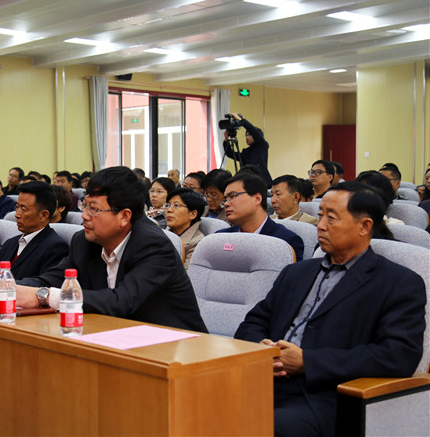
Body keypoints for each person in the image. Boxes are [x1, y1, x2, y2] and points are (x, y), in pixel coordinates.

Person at [235, 181, 426, 437]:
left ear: (364, 226)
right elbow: (254, 321)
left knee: (251, 427)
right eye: (320, 215)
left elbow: (398, 355)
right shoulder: (296, 272)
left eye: (331, 218)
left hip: (324, 396)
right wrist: (262, 348)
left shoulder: (398, 282)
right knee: (193, 403)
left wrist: (308, 362)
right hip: (261, 381)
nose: (321, 225)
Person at [0, 166, 208, 332]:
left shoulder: (154, 246)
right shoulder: (84, 240)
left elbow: (122, 301)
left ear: (124, 216)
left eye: (94, 209)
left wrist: (44, 296)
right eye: (84, 205)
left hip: (175, 345)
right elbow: (56, 277)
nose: (84, 216)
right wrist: (11, 287)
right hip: (115, 335)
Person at [217, 173, 304, 261]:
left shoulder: (286, 242)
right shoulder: (221, 238)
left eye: (232, 196)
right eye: (225, 199)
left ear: (257, 199)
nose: (226, 204)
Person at [0, 181, 69, 279]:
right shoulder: (9, 243)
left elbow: (42, 285)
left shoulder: (55, 248)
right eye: (17, 207)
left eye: (24, 209)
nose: (16, 214)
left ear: (43, 215)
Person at [222, 113, 271, 185]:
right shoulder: (246, 152)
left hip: (262, 183)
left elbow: (254, 132)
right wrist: (226, 139)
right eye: (246, 135)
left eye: (249, 135)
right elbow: (229, 153)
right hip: (248, 182)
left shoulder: (262, 146)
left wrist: (242, 121)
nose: (247, 137)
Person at [165, 188, 205, 268]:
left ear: (192, 214)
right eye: (168, 205)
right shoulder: (161, 234)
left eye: (176, 205)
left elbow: (187, 273)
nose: (169, 210)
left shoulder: (197, 242)